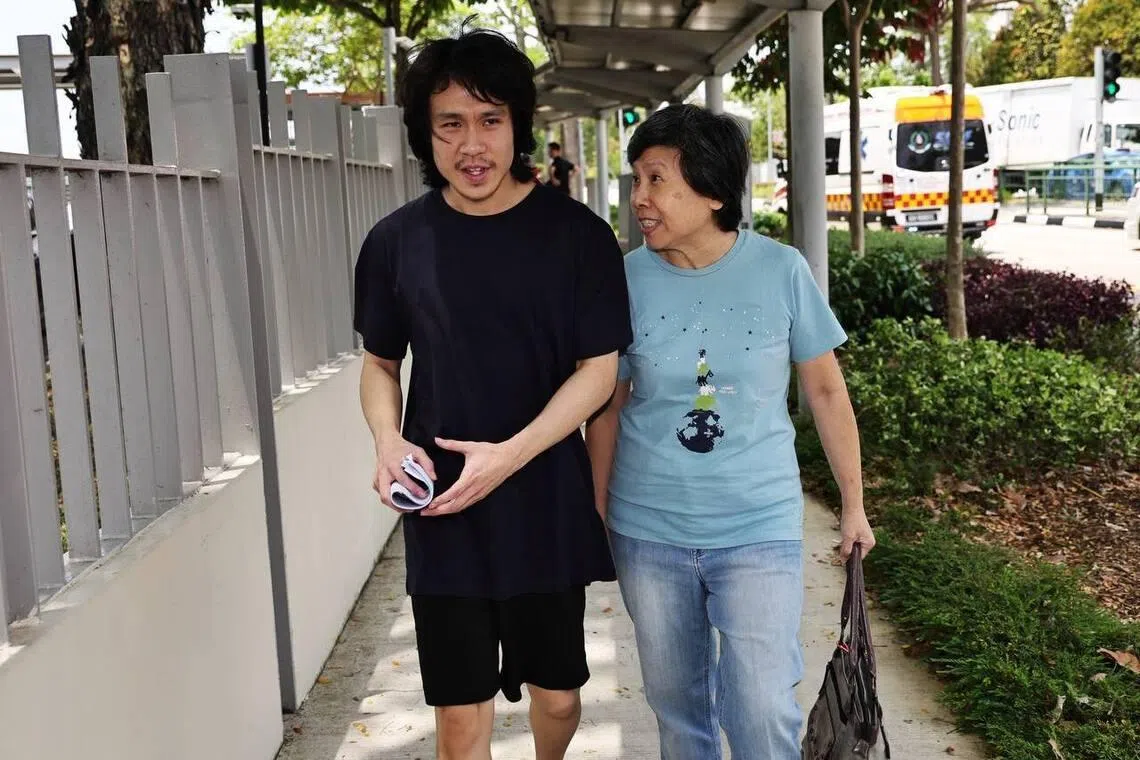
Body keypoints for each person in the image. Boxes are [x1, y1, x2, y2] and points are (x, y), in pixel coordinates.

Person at [353, 29, 631, 760]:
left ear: (518, 127)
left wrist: (507, 457)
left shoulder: (578, 236)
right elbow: (380, 364)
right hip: (444, 506)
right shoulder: (395, 243)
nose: (471, 143)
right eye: (450, 123)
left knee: (562, 697)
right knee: (459, 718)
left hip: (542, 495)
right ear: (426, 133)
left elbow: (598, 372)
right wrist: (387, 442)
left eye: (490, 119)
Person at [585, 104, 877, 760]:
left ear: (712, 188)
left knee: (759, 705)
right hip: (649, 531)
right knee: (679, 714)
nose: (639, 198)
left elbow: (826, 390)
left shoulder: (780, 271)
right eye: (636, 180)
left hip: (757, 529)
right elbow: (607, 403)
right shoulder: (625, 279)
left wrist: (853, 505)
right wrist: (596, 509)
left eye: (656, 179)